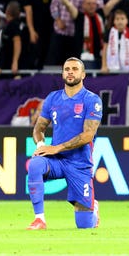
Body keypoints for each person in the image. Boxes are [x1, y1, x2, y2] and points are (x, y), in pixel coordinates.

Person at [26, 57, 103, 230]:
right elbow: (39, 129)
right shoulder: (53, 99)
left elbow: (87, 135)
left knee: (84, 225)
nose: (70, 71)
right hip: (57, 161)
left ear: (83, 74)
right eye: (67, 68)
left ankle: (93, 209)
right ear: (62, 73)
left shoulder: (92, 100)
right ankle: (39, 219)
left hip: (80, 164)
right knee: (36, 164)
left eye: (75, 69)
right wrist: (40, 146)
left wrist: (56, 147)